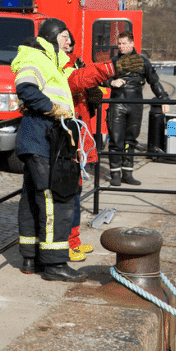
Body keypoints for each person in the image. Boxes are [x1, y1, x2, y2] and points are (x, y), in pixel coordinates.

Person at [12, 17, 87, 282]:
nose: (69, 41)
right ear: (53, 36)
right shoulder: (36, 58)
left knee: (33, 199)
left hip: (41, 139)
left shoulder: (51, 60)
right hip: (43, 139)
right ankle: (54, 264)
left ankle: (31, 258)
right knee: (57, 199)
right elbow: (26, 90)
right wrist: (53, 109)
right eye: (65, 36)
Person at [60, 43, 115, 262]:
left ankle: (74, 241)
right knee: (68, 195)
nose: (68, 43)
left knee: (75, 193)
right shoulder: (61, 65)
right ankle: (67, 243)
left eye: (70, 40)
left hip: (79, 133)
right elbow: (76, 82)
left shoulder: (74, 62)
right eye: (64, 38)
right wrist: (110, 69)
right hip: (68, 136)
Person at [106, 29, 169, 186]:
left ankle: (127, 172)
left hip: (135, 105)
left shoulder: (142, 60)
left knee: (131, 140)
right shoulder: (113, 61)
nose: (121, 46)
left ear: (132, 44)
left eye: (125, 43)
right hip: (117, 104)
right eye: (119, 44)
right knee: (116, 139)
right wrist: (111, 83)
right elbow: (99, 78)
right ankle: (115, 173)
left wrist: (164, 99)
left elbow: (153, 81)